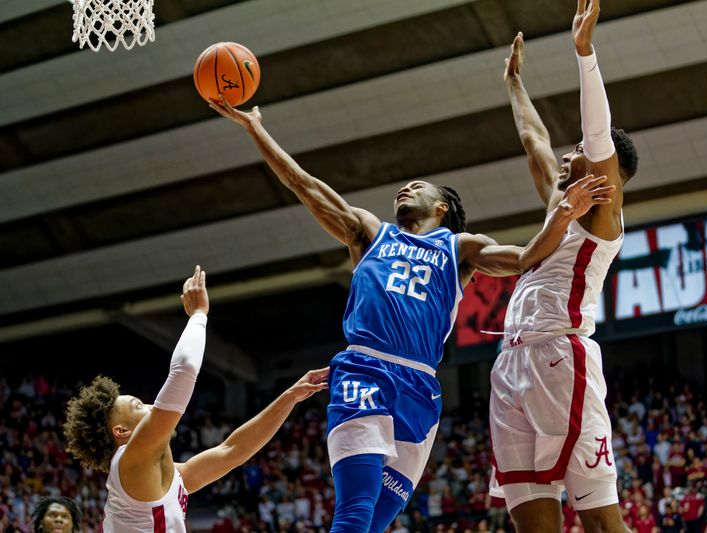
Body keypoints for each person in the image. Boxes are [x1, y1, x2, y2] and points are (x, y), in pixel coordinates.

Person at [210, 79, 614, 532]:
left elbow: (523, 259)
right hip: (366, 371)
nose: (404, 189)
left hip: (420, 388)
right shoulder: (369, 232)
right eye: (402, 187)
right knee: (355, 509)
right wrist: (254, 128)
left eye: (416, 186)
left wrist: (563, 214)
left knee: (378, 520)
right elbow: (302, 184)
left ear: (441, 207)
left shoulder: (460, 248)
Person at [488, 1, 640, 532]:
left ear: (608, 175)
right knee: (530, 522)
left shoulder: (602, 216)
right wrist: (514, 84)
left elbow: (598, 138)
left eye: (578, 149)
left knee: (600, 520)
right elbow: (534, 143)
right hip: (510, 367)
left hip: (561, 358)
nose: (569, 153)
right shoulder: (560, 211)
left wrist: (585, 53)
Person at [63, 266, 328, 532]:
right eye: (138, 406)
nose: (152, 405)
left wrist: (290, 397)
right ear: (122, 431)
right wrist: (198, 314)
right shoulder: (128, 460)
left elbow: (232, 451)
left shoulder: (171, 475)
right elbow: (185, 369)